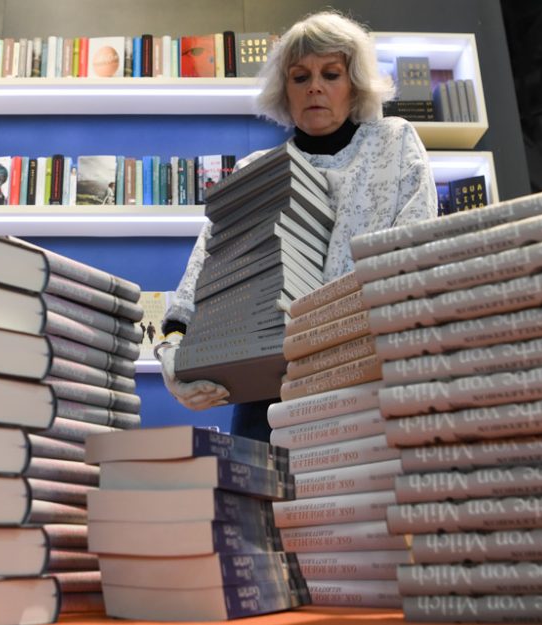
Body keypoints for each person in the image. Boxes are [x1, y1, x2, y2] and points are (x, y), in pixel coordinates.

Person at [154, 10, 438, 439]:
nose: (316, 87)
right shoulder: (256, 171)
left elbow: (416, 256)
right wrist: (173, 354)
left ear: (355, 84)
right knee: (265, 505)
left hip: (367, 381)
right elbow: (202, 275)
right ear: (284, 91)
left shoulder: (393, 143)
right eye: (300, 77)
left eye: (331, 74)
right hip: (269, 395)